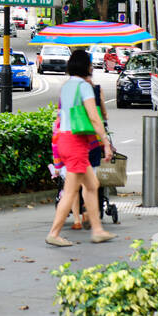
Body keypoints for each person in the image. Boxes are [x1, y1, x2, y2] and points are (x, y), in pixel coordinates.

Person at [46, 49, 115, 247]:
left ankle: (98, 230)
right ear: (86, 66)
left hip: (65, 140)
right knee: (70, 191)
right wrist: (105, 142)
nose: (92, 67)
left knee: (92, 185)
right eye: (91, 64)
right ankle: (54, 232)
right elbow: (94, 116)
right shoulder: (84, 87)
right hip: (76, 143)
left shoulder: (66, 86)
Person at [70, 75, 110, 230]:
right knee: (90, 180)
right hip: (92, 140)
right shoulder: (96, 89)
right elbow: (103, 115)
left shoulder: (71, 91)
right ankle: (88, 209)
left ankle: (76, 220)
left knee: (72, 184)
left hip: (75, 139)